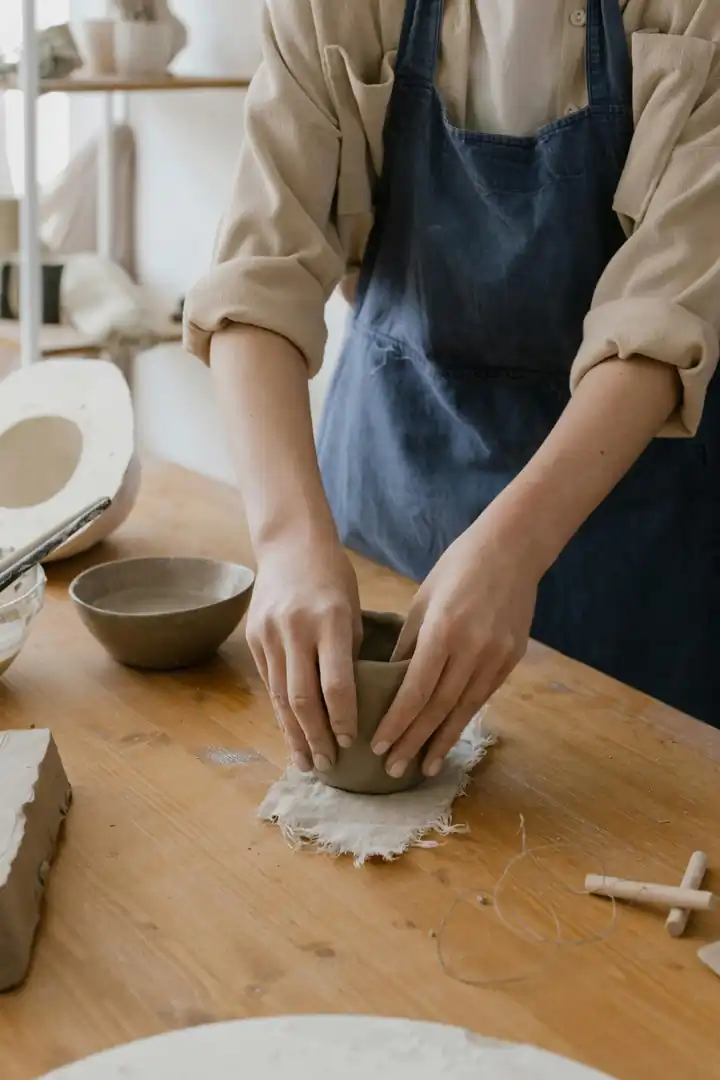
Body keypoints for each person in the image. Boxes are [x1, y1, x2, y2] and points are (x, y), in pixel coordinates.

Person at [184, 0, 720, 779]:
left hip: (626, 522)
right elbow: (256, 287)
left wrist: (516, 547)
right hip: (393, 478)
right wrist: (286, 540)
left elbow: (662, 320)